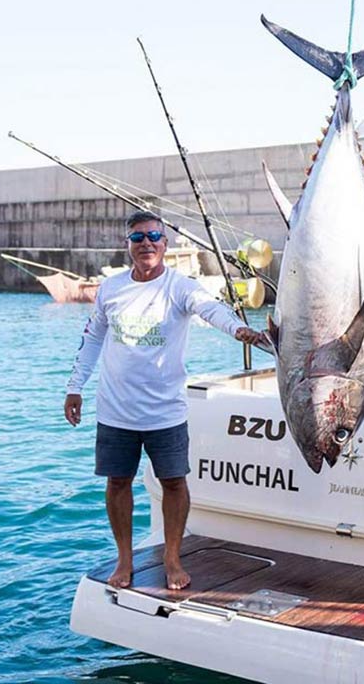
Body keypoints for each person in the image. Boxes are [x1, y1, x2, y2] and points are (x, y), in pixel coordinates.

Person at [64, 211, 266, 590]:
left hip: (165, 411)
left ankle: (172, 557)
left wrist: (238, 329)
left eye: (153, 236)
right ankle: (124, 559)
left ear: (165, 244)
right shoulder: (111, 289)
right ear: (128, 245)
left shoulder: (181, 287)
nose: (146, 244)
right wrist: (74, 387)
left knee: (174, 482)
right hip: (115, 410)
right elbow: (92, 339)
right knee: (117, 482)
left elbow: (212, 309)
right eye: (137, 238)